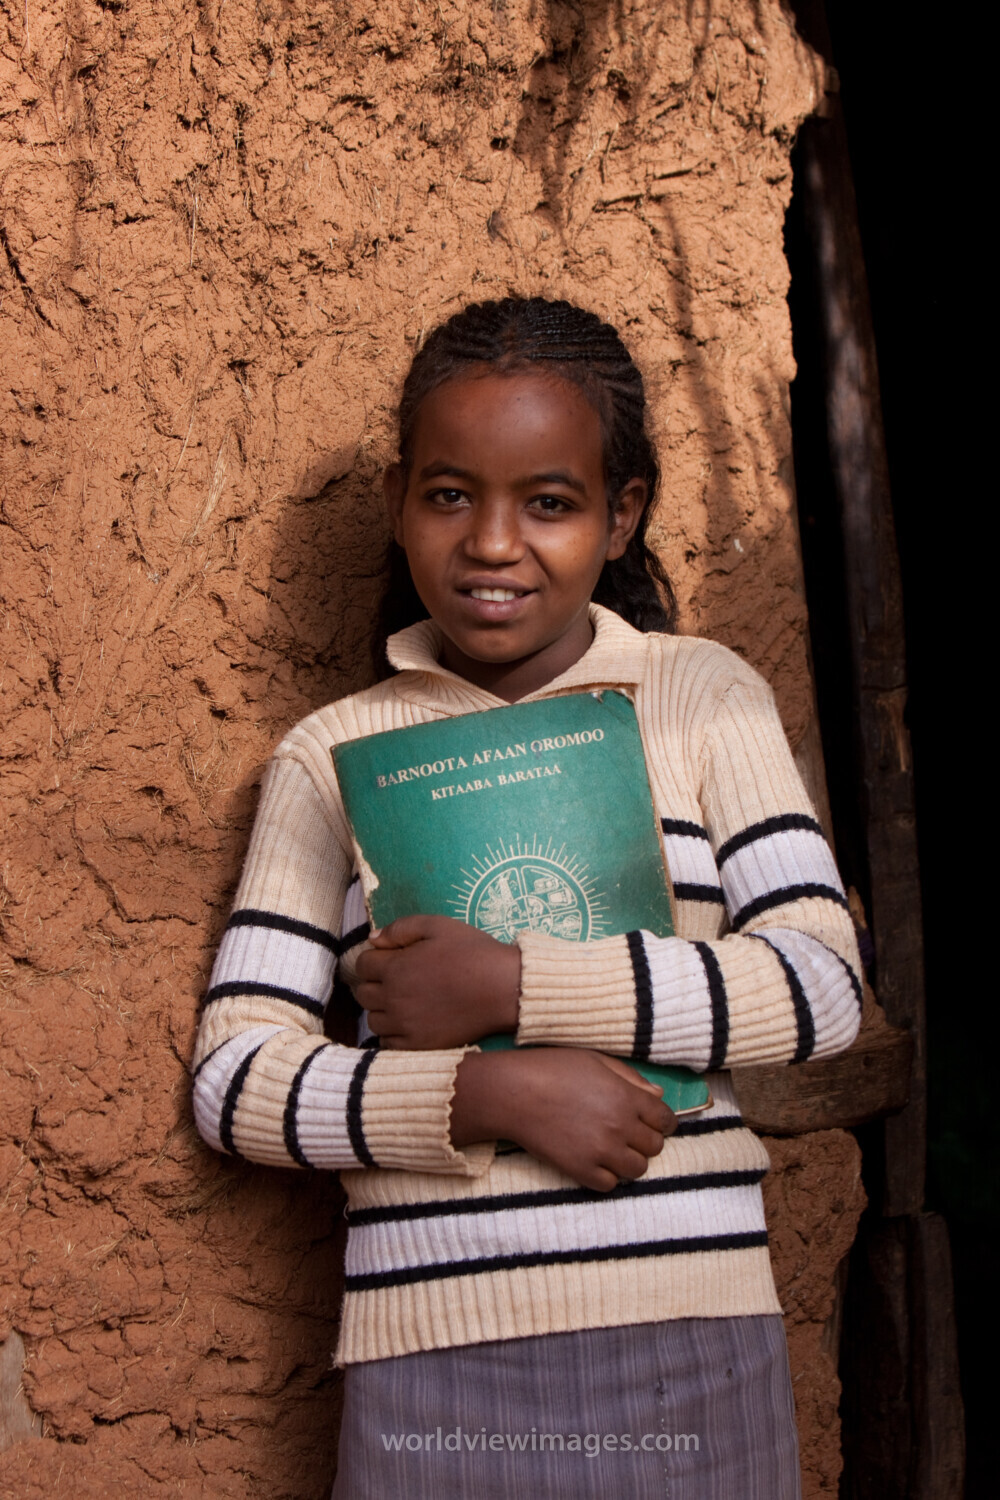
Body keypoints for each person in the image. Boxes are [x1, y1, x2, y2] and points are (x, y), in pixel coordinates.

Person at [191, 297, 862, 1498]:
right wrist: (483, 1092)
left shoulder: (699, 700)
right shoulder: (330, 758)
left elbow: (820, 987)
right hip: (430, 1359)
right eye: (450, 495)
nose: (492, 543)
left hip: (688, 1333)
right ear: (398, 502)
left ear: (621, 515)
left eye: (548, 502)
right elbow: (235, 1080)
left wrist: (515, 985)